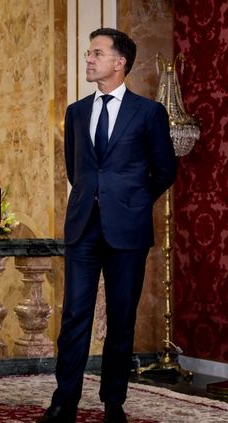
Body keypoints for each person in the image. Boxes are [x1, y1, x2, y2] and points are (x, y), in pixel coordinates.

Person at [38, 28, 177, 423]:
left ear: (120, 63)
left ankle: (113, 402)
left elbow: (165, 170)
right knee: (75, 316)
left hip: (128, 229)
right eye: (88, 53)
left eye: (97, 53)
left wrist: (133, 201)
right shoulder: (76, 112)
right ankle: (64, 401)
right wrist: (94, 197)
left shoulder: (149, 112)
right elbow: (76, 169)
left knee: (121, 316)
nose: (89, 59)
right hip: (83, 227)